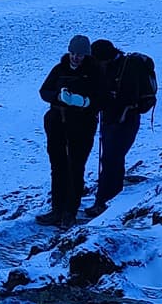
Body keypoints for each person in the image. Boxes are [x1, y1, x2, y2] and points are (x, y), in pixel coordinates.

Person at [36, 35, 105, 228]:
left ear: (86, 55)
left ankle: (70, 212)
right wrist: (59, 97)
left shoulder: (94, 72)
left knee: (75, 167)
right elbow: (44, 91)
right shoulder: (59, 69)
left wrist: (84, 102)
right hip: (57, 122)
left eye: (80, 54)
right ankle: (57, 209)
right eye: (73, 53)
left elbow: (101, 98)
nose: (75, 57)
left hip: (82, 125)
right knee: (57, 165)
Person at [85, 38, 142, 217]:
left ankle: (104, 201)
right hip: (115, 119)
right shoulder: (114, 66)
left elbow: (126, 97)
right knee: (112, 159)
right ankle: (108, 199)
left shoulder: (126, 69)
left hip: (123, 119)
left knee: (111, 159)